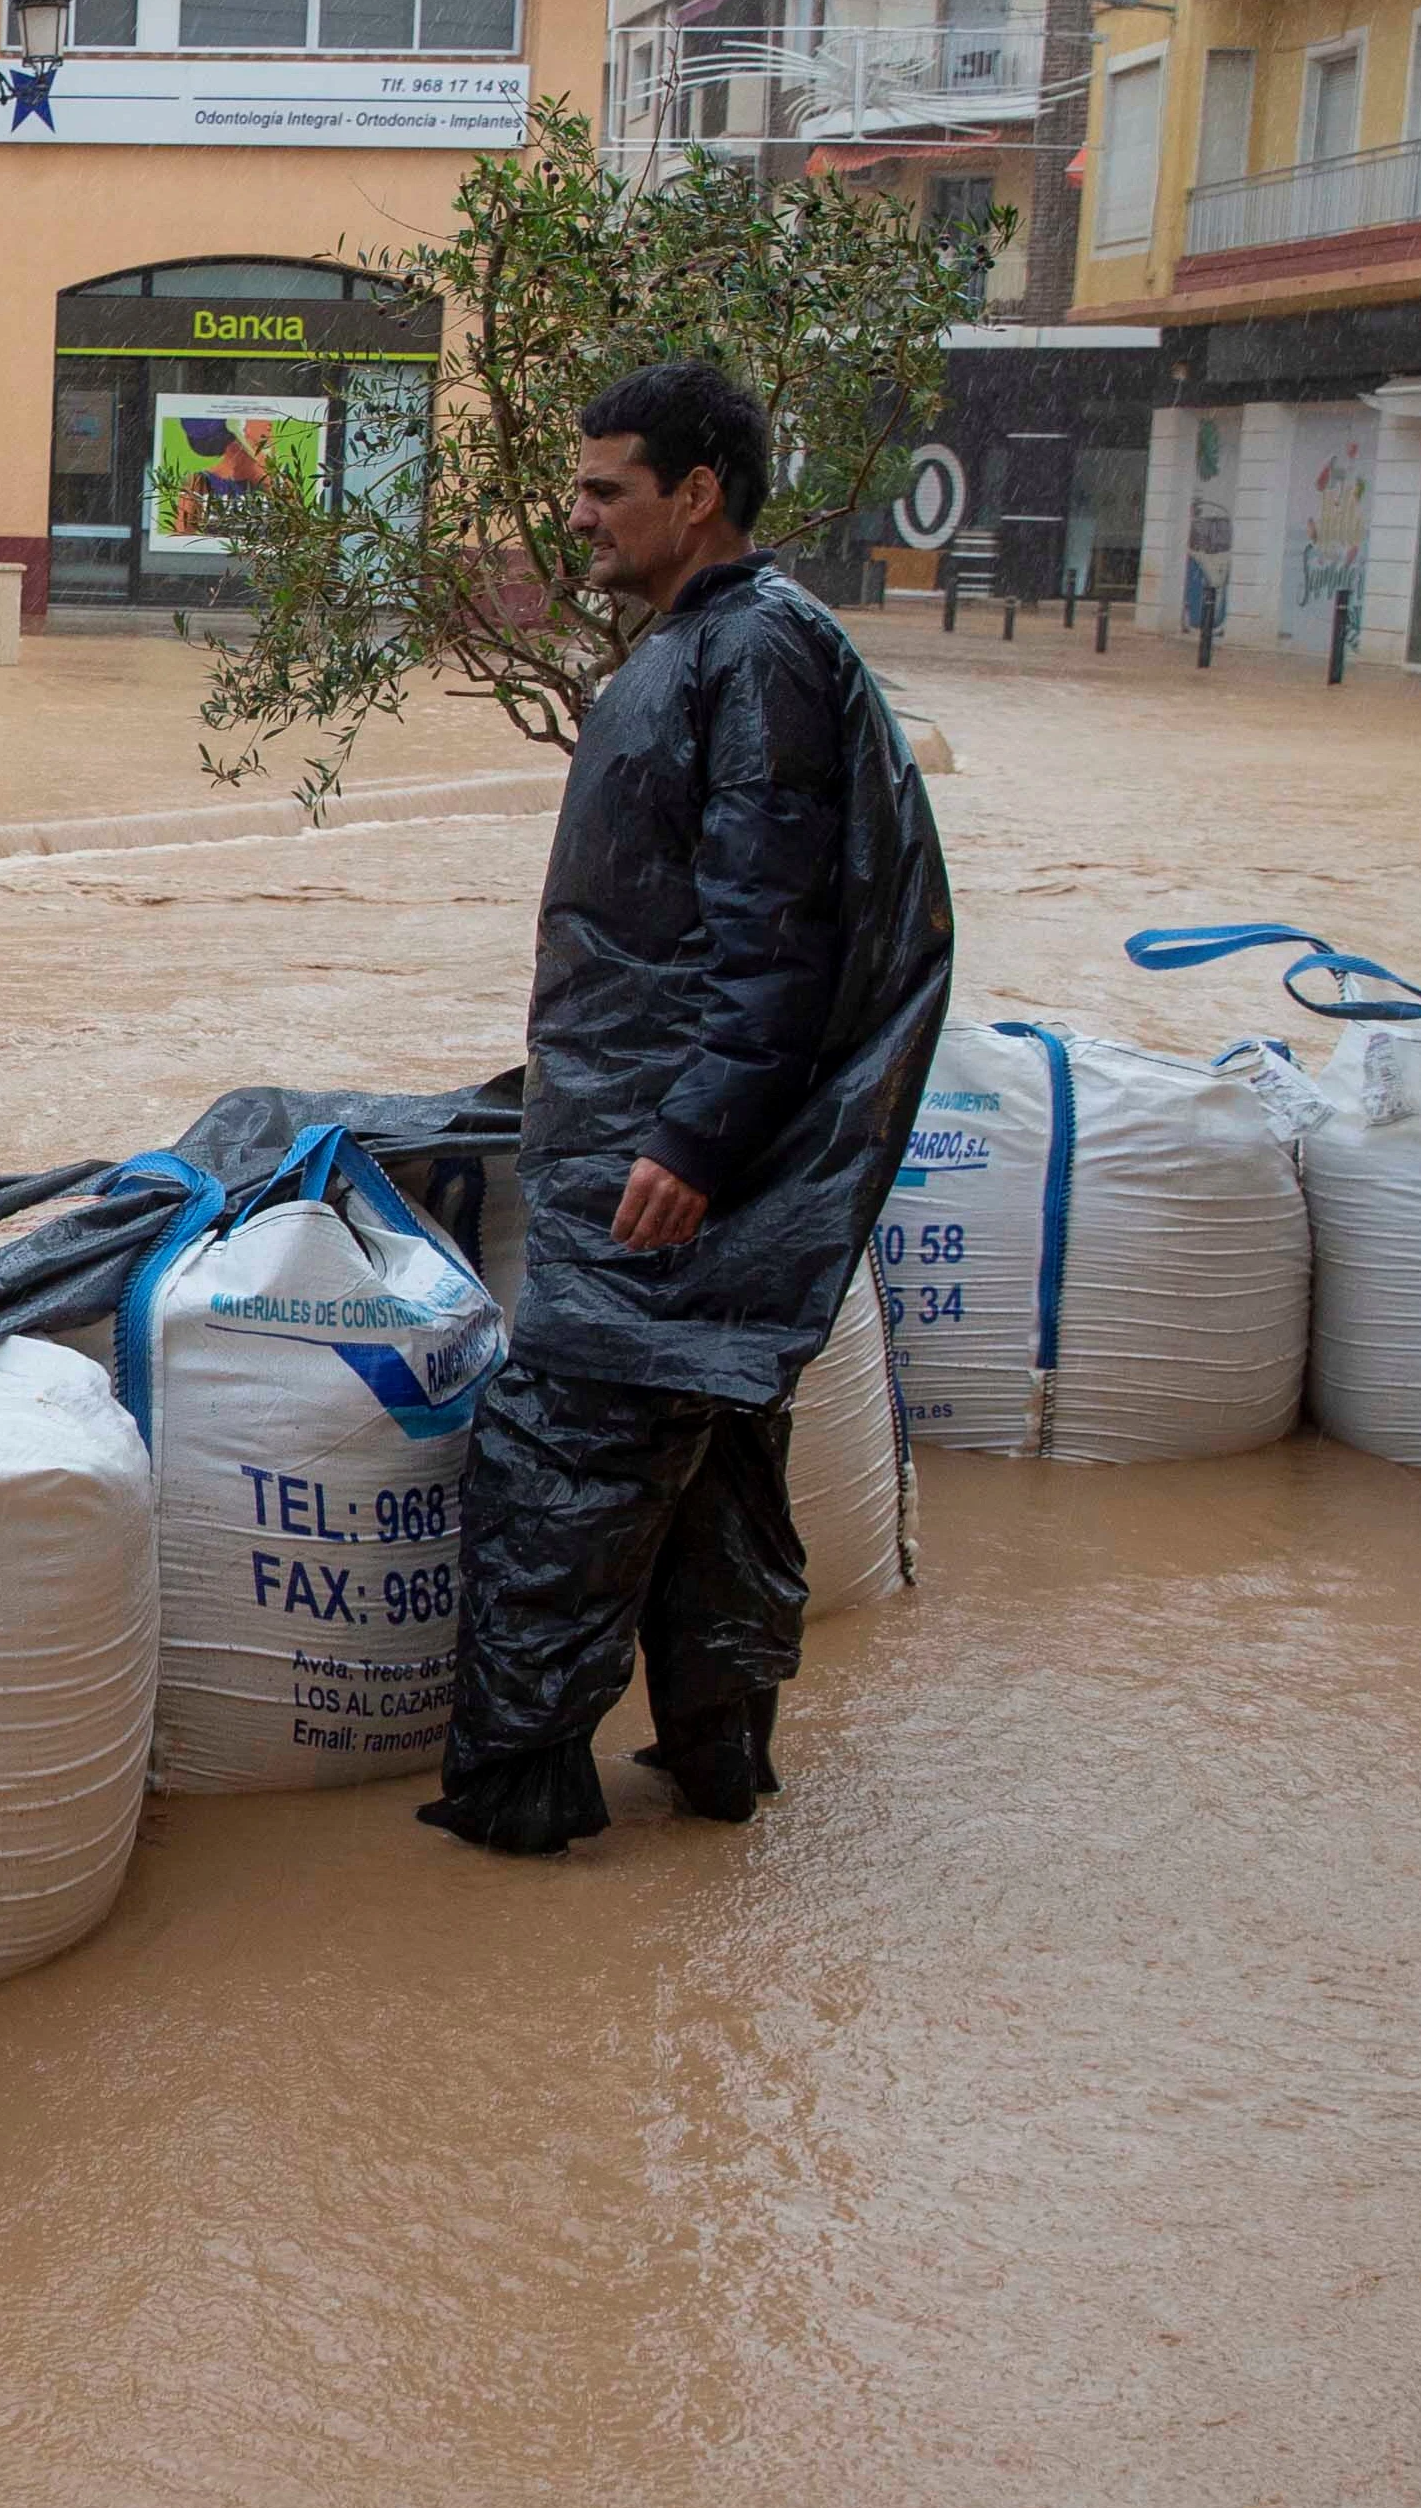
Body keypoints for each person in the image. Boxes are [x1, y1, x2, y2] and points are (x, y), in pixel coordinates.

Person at [423, 359, 953, 1859]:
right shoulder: (719, 644)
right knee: (714, 1453)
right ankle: (720, 1771)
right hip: (651, 1128)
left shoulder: (757, 658)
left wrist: (692, 1141)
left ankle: (512, 1810)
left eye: (606, 490)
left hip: (663, 1154)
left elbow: (773, 930)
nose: (577, 513)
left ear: (697, 496)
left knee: (560, 1463)